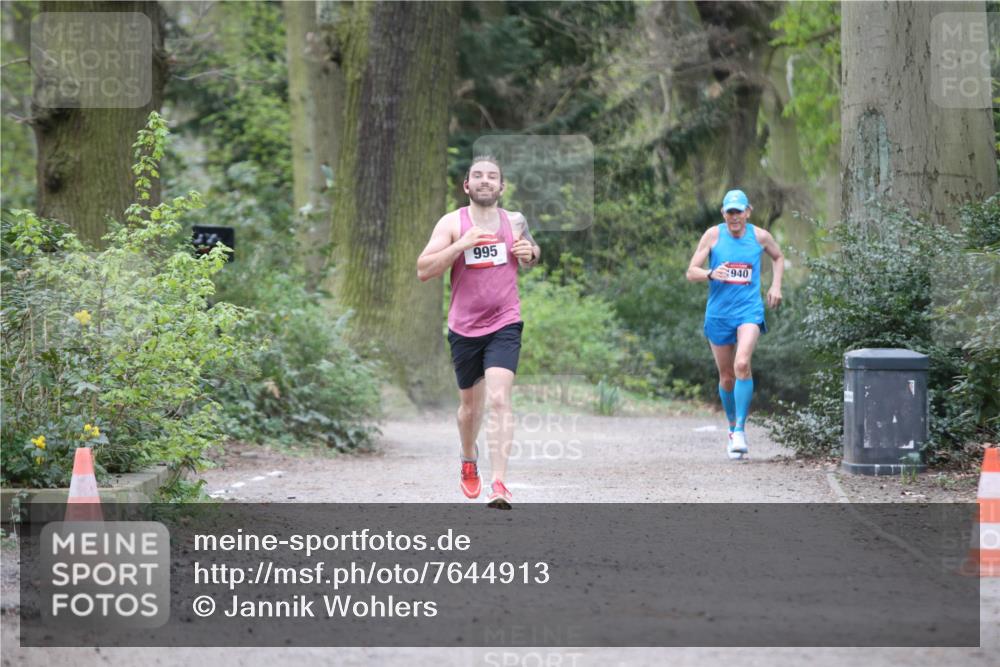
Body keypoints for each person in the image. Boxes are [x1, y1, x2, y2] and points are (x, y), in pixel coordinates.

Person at [416, 156, 541, 508]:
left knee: (500, 399)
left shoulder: (515, 221)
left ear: (502, 187)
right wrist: (460, 245)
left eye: (493, 177)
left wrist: (529, 252)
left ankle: (499, 483)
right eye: (478, 176)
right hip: (464, 327)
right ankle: (469, 458)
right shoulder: (452, 222)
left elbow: (532, 252)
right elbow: (423, 270)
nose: (485, 181)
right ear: (467, 186)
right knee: (470, 409)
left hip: (505, 321)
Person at [685, 189, 784, 460]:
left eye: (739, 211)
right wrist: (709, 273)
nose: (734, 217)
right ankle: (731, 428)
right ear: (724, 214)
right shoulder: (713, 235)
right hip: (718, 314)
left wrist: (776, 285)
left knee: (742, 364)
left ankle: (740, 429)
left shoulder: (760, 236)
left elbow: (778, 257)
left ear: (748, 212)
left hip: (748, 312)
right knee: (727, 376)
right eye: (730, 212)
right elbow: (690, 271)